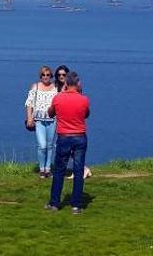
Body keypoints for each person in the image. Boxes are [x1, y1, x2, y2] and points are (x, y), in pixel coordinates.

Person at [45, 71, 90, 215]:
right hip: (79, 137)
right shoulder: (84, 99)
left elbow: (50, 113)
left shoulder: (58, 98)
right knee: (78, 171)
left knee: (59, 170)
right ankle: (76, 205)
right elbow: (86, 114)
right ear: (77, 84)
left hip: (64, 137)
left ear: (65, 83)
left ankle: (54, 203)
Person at [26, 66, 58, 178]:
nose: (45, 77)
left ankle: (47, 169)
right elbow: (29, 103)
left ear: (51, 76)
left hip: (52, 120)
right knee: (42, 145)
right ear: (40, 76)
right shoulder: (35, 87)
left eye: (48, 75)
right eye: (43, 75)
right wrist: (29, 117)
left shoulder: (55, 88)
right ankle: (41, 168)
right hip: (39, 120)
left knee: (49, 146)